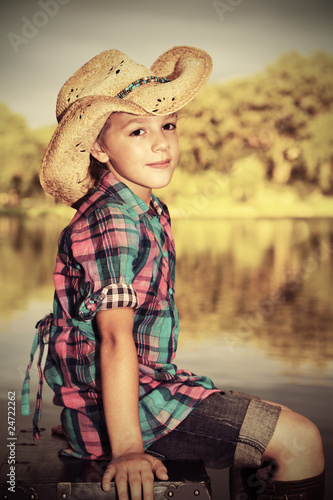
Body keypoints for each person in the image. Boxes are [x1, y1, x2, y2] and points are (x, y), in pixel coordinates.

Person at [21, 47, 325, 500]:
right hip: (127, 414)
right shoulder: (113, 221)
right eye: (137, 130)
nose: (161, 143)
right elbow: (114, 338)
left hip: (150, 390)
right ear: (99, 148)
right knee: (301, 441)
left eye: (167, 126)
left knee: (277, 425)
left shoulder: (145, 209)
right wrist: (127, 451)